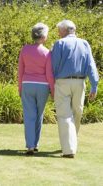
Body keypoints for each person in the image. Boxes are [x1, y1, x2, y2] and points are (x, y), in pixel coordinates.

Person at [51, 20, 99, 158]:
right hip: (79, 83)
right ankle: (70, 146)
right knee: (77, 112)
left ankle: (69, 147)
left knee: (65, 115)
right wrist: (94, 85)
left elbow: (54, 66)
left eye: (59, 31)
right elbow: (91, 64)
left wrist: (52, 82)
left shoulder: (59, 44)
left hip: (62, 82)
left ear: (65, 31)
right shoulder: (84, 43)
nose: (58, 33)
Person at [18, 23, 55, 155]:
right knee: (39, 115)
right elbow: (49, 74)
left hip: (27, 84)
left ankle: (30, 146)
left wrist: (20, 87)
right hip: (43, 86)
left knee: (29, 116)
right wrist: (53, 90)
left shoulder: (24, 49)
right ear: (44, 37)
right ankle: (36, 143)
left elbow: (20, 71)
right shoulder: (47, 53)